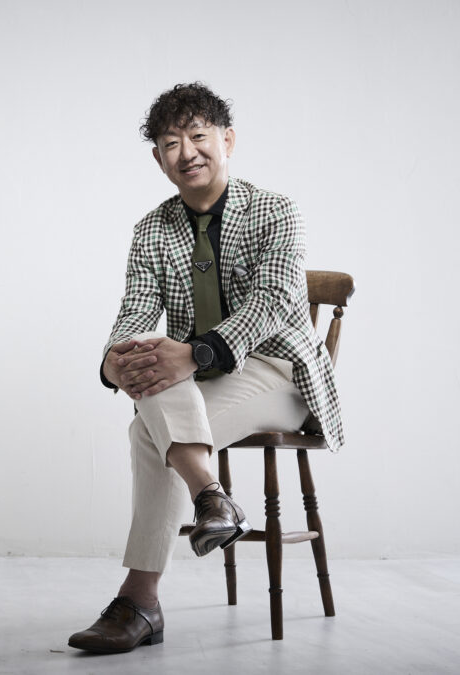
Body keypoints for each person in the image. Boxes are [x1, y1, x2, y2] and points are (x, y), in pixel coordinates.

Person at [67, 82, 344, 654]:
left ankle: (140, 602)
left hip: (281, 372)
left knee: (149, 432)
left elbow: (274, 302)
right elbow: (134, 312)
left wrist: (194, 353)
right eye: (172, 143)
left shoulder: (275, 211)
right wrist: (114, 362)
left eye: (198, 136)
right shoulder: (152, 229)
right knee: (148, 361)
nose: (187, 152)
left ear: (228, 141)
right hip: (204, 377)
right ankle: (212, 498)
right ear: (158, 158)